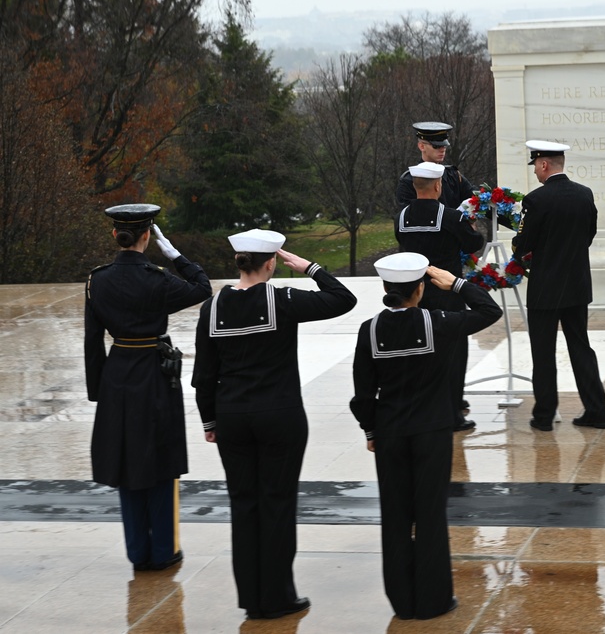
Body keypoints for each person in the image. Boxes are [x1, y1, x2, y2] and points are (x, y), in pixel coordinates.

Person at [191, 228, 357, 620]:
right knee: (277, 504)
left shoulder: (211, 308)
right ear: (271, 262)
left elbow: (203, 375)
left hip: (231, 417)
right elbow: (343, 300)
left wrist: (209, 420)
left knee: (244, 506)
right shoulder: (281, 298)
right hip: (279, 415)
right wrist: (309, 267)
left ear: (239, 261)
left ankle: (252, 598)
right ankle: (278, 596)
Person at [350, 252, 501, 621]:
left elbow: (363, 391)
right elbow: (489, 312)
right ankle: (433, 599)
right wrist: (458, 284)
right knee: (430, 515)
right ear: (420, 289)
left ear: (386, 288)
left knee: (396, 515)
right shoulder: (439, 322)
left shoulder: (369, 329)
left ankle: (403, 601)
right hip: (431, 431)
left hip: (389, 433)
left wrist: (370, 430)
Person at [84, 203, 211, 571]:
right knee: (161, 461)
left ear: (114, 235)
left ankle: (138, 552)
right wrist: (175, 255)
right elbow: (202, 287)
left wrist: (99, 390)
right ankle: (164, 551)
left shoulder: (97, 280)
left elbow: (93, 341)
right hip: (155, 374)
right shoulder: (158, 278)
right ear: (147, 236)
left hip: (117, 376)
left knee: (127, 463)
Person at [511, 140, 605, 431]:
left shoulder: (536, 201)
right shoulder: (584, 194)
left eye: (536, 168)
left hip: (544, 289)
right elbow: (588, 234)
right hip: (577, 286)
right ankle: (597, 411)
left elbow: (523, 244)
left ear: (544, 164)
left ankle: (544, 417)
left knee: (543, 354)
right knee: (581, 348)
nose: (536, 174)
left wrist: (521, 250)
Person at [395, 161, 485, 433]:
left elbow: (402, 241)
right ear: (438, 186)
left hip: (415, 295)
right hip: (448, 294)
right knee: (454, 355)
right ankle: (453, 413)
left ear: (414, 186)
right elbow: (473, 243)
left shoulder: (401, 217)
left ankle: (422, 407)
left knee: (421, 351)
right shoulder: (450, 216)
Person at [395, 122, 475, 210]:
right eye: (436, 146)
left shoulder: (453, 176)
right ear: (422, 146)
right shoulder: (409, 180)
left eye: (444, 146)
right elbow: (407, 216)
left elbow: (475, 198)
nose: (442, 150)